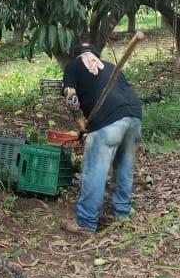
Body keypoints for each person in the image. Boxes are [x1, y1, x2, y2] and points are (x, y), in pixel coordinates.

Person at [60, 36, 145, 234]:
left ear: (77, 55)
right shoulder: (109, 66)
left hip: (107, 120)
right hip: (134, 115)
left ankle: (86, 221)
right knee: (124, 165)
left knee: (95, 170)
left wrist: (79, 119)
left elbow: (70, 95)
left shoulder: (74, 66)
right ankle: (122, 212)